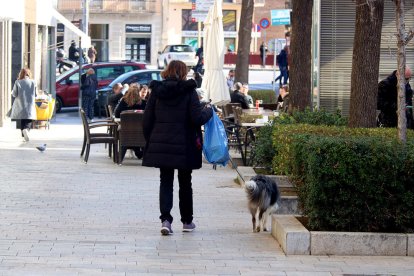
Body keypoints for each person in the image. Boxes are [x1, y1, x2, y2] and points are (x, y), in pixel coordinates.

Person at [142, 60, 213, 235]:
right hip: (185, 145)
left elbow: (147, 119)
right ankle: (187, 222)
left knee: (165, 181)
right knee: (185, 183)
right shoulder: (190, 92)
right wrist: (209, 111)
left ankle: (165, 220)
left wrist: (151, 140)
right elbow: (197, 118)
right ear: (183, 73)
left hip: (162, 145)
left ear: (167, 71)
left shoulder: (156, 92)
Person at [10, 68, 37, 142]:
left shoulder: (18, 82)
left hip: (20, 104)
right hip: (29, 104)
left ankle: (23, 134)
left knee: (22, 119)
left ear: (21, 74)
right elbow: (35, 94)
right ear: (29, 74)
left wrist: (12, 92)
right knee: (28, 120)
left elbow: (14, 94)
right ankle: (26, 130)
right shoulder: (33, 82)